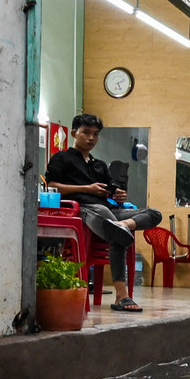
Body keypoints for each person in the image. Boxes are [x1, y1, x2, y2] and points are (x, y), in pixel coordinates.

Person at [45, 113, 162, 312]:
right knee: (105, 217)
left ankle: (123, 225)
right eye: (86, 133)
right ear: (74, 133)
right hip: (82, 209)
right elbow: (53, 186)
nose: (91, 138)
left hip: (108, 211)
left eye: (96, 134)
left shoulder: (99, 164)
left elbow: (110, 188)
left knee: (154, 213)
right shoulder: (62, 158)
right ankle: (121, 296)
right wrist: (87, 189)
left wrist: (118, 195)